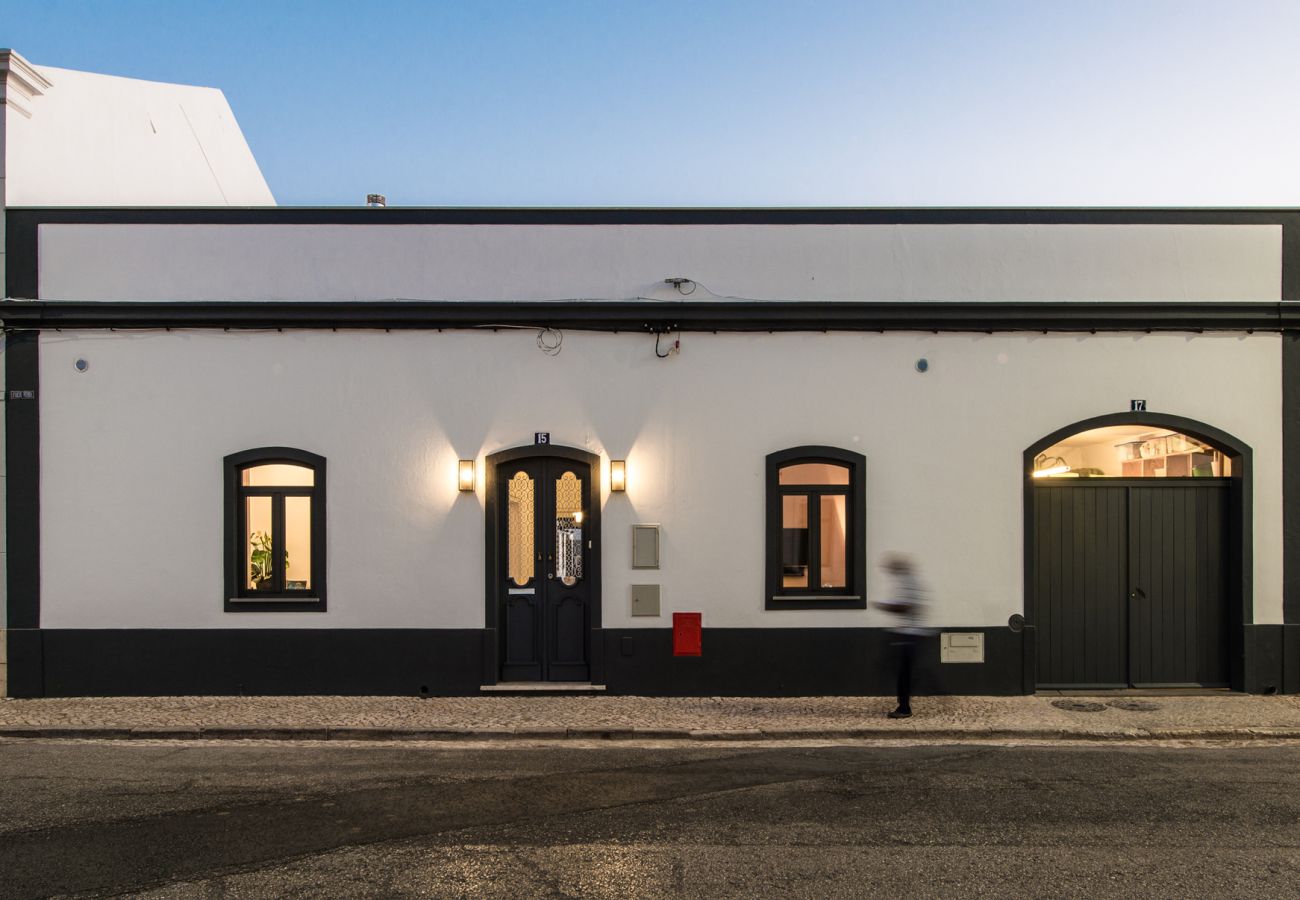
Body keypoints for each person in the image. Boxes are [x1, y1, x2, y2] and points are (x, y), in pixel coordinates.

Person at [877, 553, 929, 719]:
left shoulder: (907, 582)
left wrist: (885, 607)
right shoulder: (909, 581)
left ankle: (904, 708)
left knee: (904, 673)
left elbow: (905, 607)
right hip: (908, 634)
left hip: (909, 635)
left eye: (892, 568)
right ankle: (904, 703)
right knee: (902, 671)